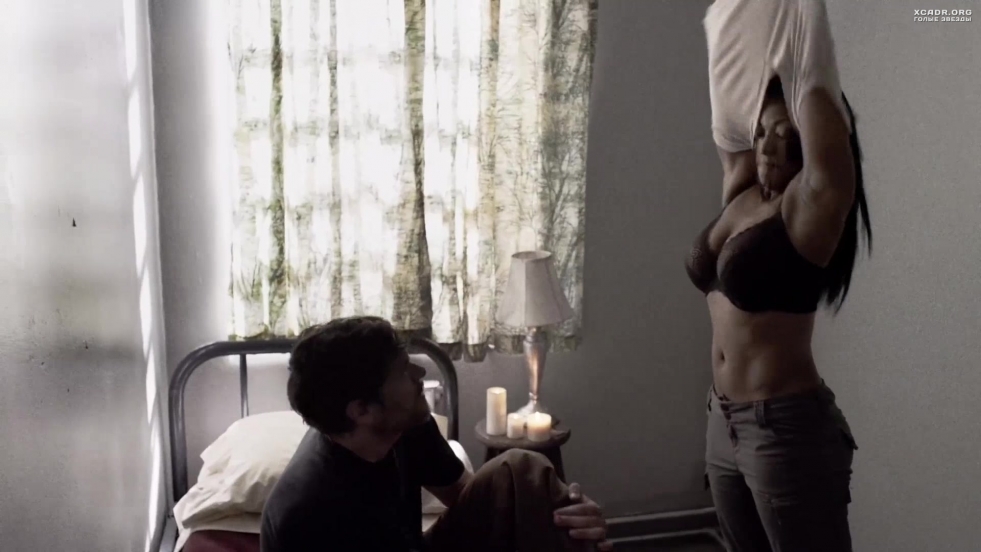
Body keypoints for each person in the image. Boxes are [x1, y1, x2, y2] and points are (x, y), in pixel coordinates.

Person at [686, 69, 873, 552]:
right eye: (763, 131)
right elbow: (728, 85)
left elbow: (826, 123)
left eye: (787, 135)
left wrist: (802, 52)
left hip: (784, 427)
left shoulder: (813, 206)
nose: (768, 147)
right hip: (722, 419)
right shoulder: (742, 192)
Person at [260, 316, 613, 552]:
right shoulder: (309, 515)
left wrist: (563, 512)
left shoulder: (405, 425)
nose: (419, 373)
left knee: (519, 469)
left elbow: (471, 498)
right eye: (402, 371)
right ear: (361, 410)